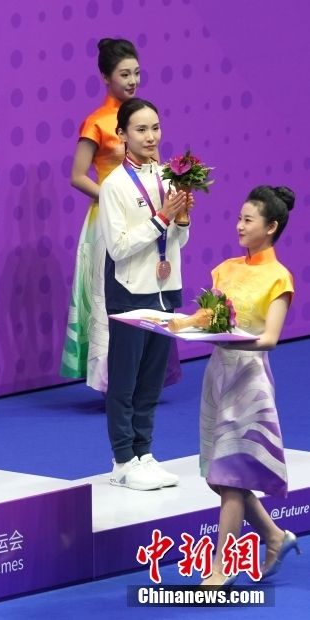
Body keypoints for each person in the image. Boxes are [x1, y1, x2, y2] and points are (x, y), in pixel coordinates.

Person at [61, 38, 182, 392]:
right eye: (124, 74)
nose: (132, 81)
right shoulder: (96, 122)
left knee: (151, 287)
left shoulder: (143, 118)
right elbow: (77, 176)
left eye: (137, 73)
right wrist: (117, 199)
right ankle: (111, 382)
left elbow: (156, 168)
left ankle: (148, 377)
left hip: (151, 215)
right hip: (110, 219)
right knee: (112, 295)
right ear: (105, 77)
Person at [199, 186, 301, 585]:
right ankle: (275, 536)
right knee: (219, 475)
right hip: (218, 375)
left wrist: (231, 341)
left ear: (270, 227)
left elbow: (270, 338)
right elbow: (207, 319)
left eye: (248, 220)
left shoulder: (279, 278)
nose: (239, 226)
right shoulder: (225, 268)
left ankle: (221, 568)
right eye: (239, 218)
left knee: (229, 477)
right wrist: (177, 324)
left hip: (250, 380)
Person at [98, 98, 192, 491]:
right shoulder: (114, 185)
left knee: (153, 379)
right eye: (141, 129)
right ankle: (123, 460)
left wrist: (181, 220)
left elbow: (177, 241)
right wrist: (162, 218)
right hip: (129, 292)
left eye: (155, 127)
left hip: (164, 290)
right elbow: (118, 247)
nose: (151, 136)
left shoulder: (169, 177)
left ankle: (144, 452)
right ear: (122, 134)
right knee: (125, 381)